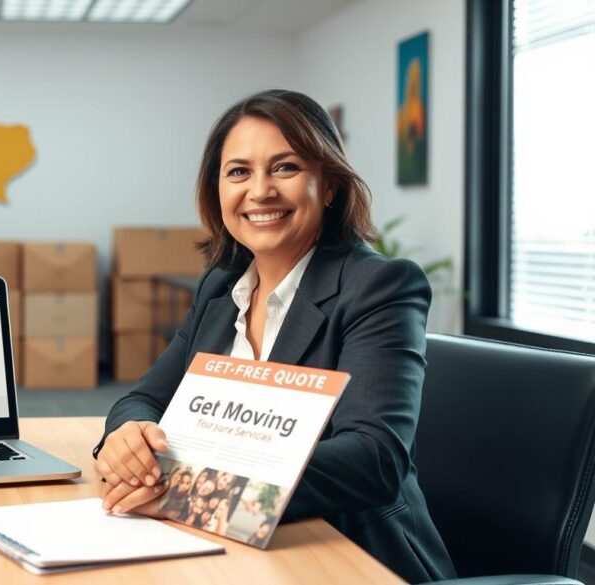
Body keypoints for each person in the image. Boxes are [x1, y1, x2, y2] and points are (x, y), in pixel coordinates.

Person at [93, 89, 456, 582]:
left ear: (328, 185)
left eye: (285, 168)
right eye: (239, 172)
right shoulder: (220, 286)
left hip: (349, 554)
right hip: (228, 545)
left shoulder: (379, 287)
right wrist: (125, 438)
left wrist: (191, 487)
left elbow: (375, 460)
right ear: (216, 190)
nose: (260, 191)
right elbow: (143, 398)